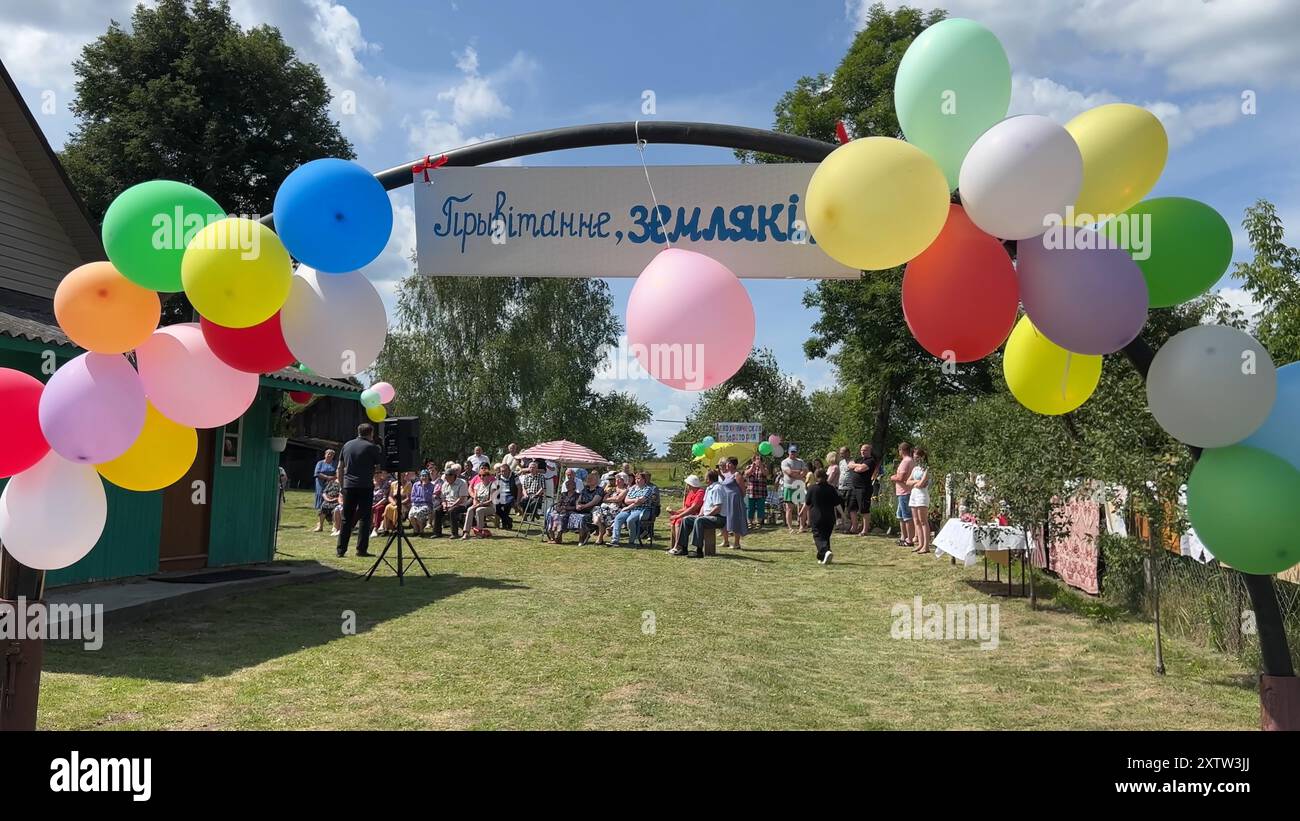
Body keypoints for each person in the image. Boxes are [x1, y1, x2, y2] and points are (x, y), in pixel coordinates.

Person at [335, 424, 383, 558]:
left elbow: (340, 467)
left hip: (348, 486)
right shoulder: (372, 447)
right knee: (365, 518)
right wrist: (376, 478)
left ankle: (341, 550)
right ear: (371, 433)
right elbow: (378, 467)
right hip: (365, 486)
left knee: (346, 518)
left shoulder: (347, 445)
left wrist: (341, 486)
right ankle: (361, 549)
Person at [670, 470, 726, 557]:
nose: (704, 479)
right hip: (707, 516)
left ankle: (698, 550)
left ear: (709, 479)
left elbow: (717, 508)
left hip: (718, 518)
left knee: (699, 520)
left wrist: (706, 515)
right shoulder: (708, 488)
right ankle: (683, 548)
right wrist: (700, 513)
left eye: (706, 478)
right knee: (686, 519)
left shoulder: (717, 488)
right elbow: (704, 505)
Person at [611, 471, 654, 547]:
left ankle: (632, 541)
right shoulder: (633, 488)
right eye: (636, 478)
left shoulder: (648, 489)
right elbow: (626, 500)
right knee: (618, 518)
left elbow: (640, 502)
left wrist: (628, 506)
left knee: (630, 520)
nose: (637, 480)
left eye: (639, 479)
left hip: (643, 510)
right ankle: (615, 540)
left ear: (644, 480)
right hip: (631, 509)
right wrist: (635, 500)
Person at [806, 467, 839, 565]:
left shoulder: (812, 488)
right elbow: (837, 504)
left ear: (816, 477)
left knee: (818, 536)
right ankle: (823, 557)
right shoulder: (831, 488)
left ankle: (825, 551)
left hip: (817, 516)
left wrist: (802, 515)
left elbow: (807, 503)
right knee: (826, 536)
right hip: (829, 517)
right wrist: (843, 516)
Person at [846, 444, 878, 537]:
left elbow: (860, 469)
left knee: (864, 509)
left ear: (870, 451)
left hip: (864, 488)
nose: (863, 452)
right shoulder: (859, 460)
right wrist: (857, 466)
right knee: (851, 507)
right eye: (861, 450)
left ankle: (865, 530)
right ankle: (854, 527)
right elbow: (850, 466)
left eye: (865, 450)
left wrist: (856, 466)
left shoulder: (871, 461)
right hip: (854, 487)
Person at [667, 474, 704, 553]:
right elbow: (686, 508)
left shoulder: (700, 492)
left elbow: (693, 508)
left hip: (696, 515)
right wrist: (675, 512)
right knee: (675, 520)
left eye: (688, 484)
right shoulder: (691, 492)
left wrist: (678, 515)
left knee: (678, 520)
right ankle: (678, 544)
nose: (687, 486)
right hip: (689, 513)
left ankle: (678, 546)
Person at [890, 442, 916, 547]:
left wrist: (893, 477)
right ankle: (903, 537)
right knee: (900, 515)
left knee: (907, 516)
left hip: (905, 492)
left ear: (901, 450)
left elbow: (901, 478)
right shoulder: (909, 461)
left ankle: (909, 539)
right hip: (902, 492)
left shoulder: (906, 461)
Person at [908, 447, 933, 555]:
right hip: (914, 494)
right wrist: (916, 482)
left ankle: (926, 546)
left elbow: (922, 484)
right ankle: (920, 544)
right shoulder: (915, 469)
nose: (916, 459)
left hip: (922, 495)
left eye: (917, 457)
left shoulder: (927, 468)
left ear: (922, 457)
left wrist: (916, 482)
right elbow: (908, 482)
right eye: (914, 457)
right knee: (916, 521)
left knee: (923, 521)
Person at [719, 456, 748, 549]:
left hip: (735, 500)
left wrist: (739, 499)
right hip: (726, 500)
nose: (726, 465)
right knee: (725, 520)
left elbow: (743, 489)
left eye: (728, 463)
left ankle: (736, 543)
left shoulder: (737, 475)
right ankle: (725, 541)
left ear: (733, 465)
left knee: (735, 520)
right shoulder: (727, 474)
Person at [432, 467, 469, 538]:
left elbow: (462, 498)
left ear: (453, 476)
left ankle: (454, 533)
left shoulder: (462, 483)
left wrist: (452, 505)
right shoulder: (445, 484)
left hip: (460, 505)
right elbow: (443, 498)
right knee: (437, 510)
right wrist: (444, 505)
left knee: (452, 511)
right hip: (448, 504)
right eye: (445, 476)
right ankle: (437, 533)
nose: (446, 478)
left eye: (447, 476)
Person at [464, 463, 497, 538]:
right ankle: (466, 532)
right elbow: (475, 498)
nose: (481, 477)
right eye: (480, 475)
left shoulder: (492, 486)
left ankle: (479, 531)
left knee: (479, 510)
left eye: (484, 475)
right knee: (470, 509)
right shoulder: (477, 486)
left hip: (490, 507)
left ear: (488, 476)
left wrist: (479, 504)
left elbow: (491, 500)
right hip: (479, 505)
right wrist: (475, 504)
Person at [780, 444, 807, 534]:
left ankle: (802, 526)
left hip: (799, 486)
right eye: (792, 452)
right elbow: (789, 472)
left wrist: (796, 473)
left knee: (802, 507)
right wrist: (799, 472)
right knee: (789, 508)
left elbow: (805, 471)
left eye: (795, 452)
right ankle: (790, 527)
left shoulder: (801, 461)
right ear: (788, 452)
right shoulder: (784, 462)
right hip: (789, 486)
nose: (793, 453)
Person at [594, 475, 627, 545]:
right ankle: (602, 530)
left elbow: (618, 499)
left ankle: (600, 536)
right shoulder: (612, 489)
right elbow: (604, 499)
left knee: (601, 515)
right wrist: (610, 497)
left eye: (620, 480)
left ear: (624, 481)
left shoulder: (625, 490)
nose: (617, 481)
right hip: (606, 508)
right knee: (597, 517)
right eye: (616, 479)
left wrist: (608, 499)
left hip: (616, 509)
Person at [573, 471, 605, 545]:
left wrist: (583, 506)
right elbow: (578, 499)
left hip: (594, 509)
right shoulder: (585, 489)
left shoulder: (599, 489)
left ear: (596, 480)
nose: (588, 480)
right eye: (588, 478)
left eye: (591, 478)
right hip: (583, 508)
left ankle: (584, 537)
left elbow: (594, 502)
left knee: (585, 518)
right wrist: (577, 505)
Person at [546, 478, 581, 544]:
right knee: (551, 515)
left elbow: (576, 507)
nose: (567, 486)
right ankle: (552, 537)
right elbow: (558, 504)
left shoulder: (577, 495)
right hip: (560, 511)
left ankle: (558, 538)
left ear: (574, 486)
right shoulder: (563, 494)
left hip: (570, 512)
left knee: (561, 517)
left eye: (569, 484)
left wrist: (566, 508)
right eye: (566, 484)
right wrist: (559, 509)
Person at [312, 448, 337, 532]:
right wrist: (327, 477)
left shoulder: (335, 463)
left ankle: (332, 520)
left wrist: (332, 479)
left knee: (330, 499)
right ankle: (320, 522)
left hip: (331, 483)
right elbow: (317, 473)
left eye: (332, 454)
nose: (330, 455)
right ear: (325, 455)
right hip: (321, 483)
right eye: (328, 454)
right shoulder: (320, 463)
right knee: (321, 499)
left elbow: (337, 472)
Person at [744, 454, 769, 530]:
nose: (758, 460)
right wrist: (753, 467)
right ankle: (750, 523)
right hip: (751, 491)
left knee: (760, 508)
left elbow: (766, 474)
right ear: (753, 460)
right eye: (756, 459)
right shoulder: (749, 467)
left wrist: (761, 466)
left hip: (761, 491)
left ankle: (759, 523)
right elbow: (746, 474)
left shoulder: (764, 467)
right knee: (750, 508)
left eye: (759, 459)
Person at [407, 470, 436, 536]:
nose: (424, 477)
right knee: (411, 515)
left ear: (429, 477)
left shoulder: (431, 486)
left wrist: (424, 488)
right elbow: (413, 497)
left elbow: (428, 498)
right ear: (420, 477)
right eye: (422, 476)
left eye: (425, 476)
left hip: (427, 505)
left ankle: (421, 531)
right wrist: (420, 499)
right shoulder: (416, 485)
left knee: (419, 513)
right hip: (416, 504)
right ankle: (416, 530)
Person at [494, 462, 521, 530]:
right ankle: (508, 520)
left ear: (509, 470)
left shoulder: (514, 476)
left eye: (505, 470)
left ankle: (505, 523)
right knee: (495, 507)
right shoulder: (498, 477)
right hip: (501, 495)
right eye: (502, 471)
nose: (503, 472)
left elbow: (519, 488)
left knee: (507, 505)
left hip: (511, 494)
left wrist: (517, 501)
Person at [370, 468, 390, 536]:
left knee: (378, 508)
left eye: (378, 473)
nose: (376, 474)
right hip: (371, 503)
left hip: (382, 503)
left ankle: (375, 529)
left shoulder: (385, 483)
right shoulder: (370, 483)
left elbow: (385, 498)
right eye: (375, 473)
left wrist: (375, 505)